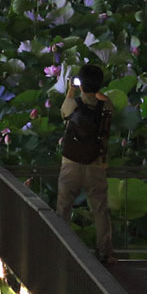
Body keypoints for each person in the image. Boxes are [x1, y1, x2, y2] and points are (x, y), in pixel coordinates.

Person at [58, 61, 115, 264]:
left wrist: (71, 91)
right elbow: (108, 105)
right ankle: (104, 253)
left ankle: (62, 251)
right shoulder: (105, 107)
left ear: (80, 83)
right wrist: (96, 92)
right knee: (100, 210)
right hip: (96, 164)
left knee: (63, 208)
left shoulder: (73, 104)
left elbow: (64, 113)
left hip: (71, 163)